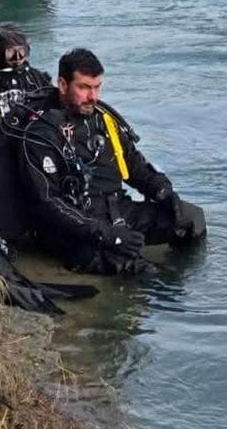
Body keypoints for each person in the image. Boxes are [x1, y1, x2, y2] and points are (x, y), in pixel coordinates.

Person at [18, 48, 207, 275]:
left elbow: (134, 165)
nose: (93, 96)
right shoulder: (41, 132)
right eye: (84, 87)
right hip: (76, 228)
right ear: (63, 85)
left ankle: (184, 277)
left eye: (97, 87)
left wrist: (164, 191)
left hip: (117, 210)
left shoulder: (103, 120)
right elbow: (47, 202)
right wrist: (106, 234)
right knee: (146, 274)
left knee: (192, 219)